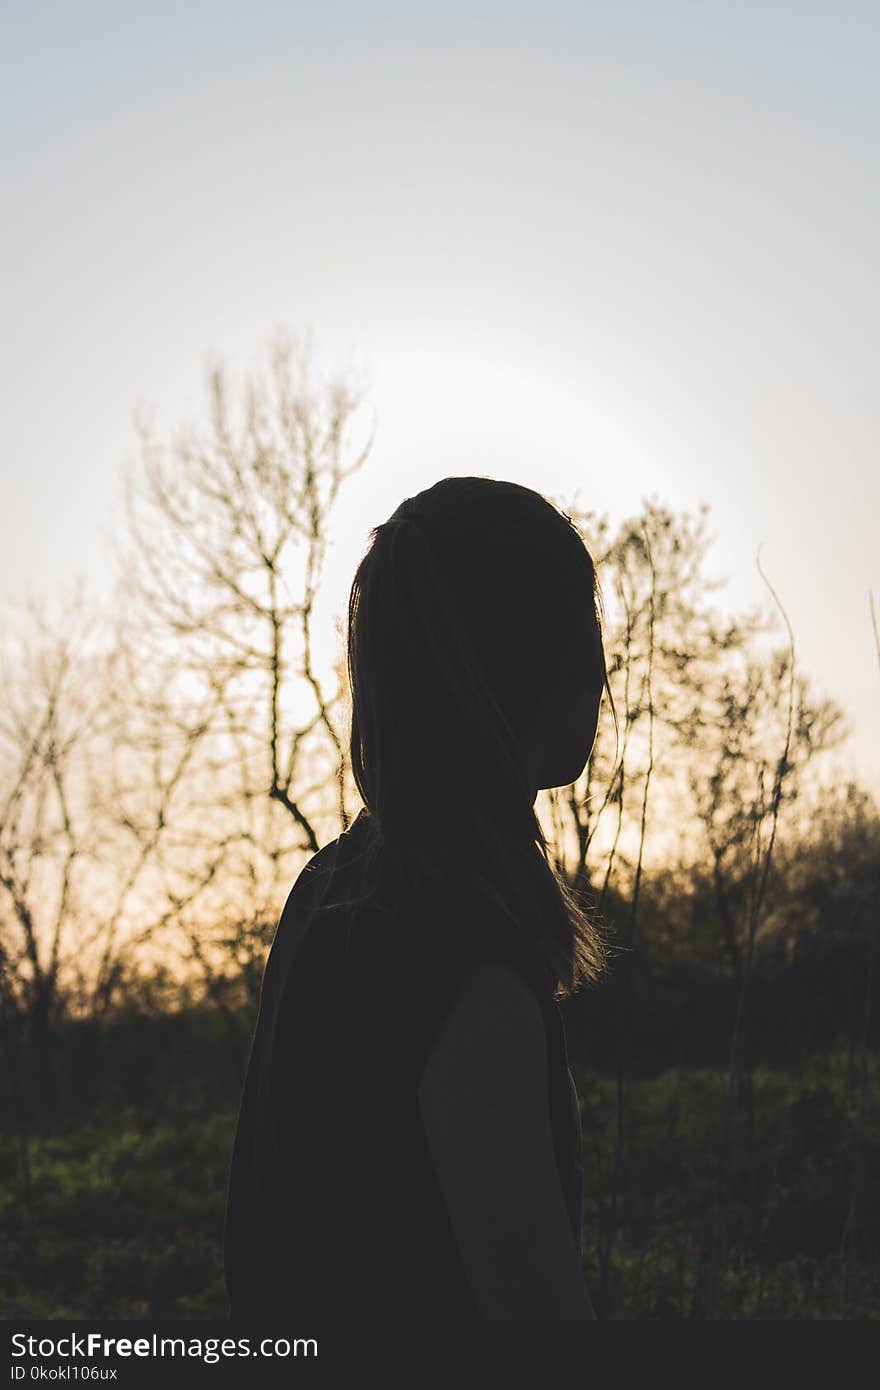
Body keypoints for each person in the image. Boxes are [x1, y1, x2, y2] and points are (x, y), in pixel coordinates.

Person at [223, 476, 615, 1319]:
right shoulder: (467, 966)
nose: (602, 666)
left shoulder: (330, 892)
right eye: (582, 622)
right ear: (529, 657)